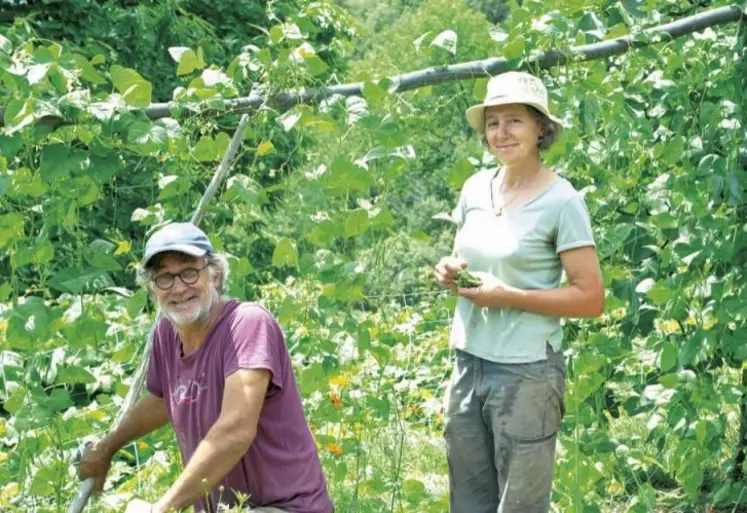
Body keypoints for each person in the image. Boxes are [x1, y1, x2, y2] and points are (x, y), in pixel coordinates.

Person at [434, 71, 604, 513]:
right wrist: (450, 270)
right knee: (468, 502)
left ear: (540, 129)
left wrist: (509, 295)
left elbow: (590, 298)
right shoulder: (475, 187)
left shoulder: (562, 201)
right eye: (492, 122)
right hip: (468, 362)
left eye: (514, 121)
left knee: (520, 505)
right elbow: (465, 255)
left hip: (527, 372)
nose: (501, 133)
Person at [79, 222, 334, 513]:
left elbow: (235, 430)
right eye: (164, 277)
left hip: (287, 508)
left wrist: (160, 508)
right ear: (151, 289)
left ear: (215, 274)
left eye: (189, 272)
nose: (178, 287)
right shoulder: (167, 332)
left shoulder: (246, 324)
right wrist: (107, 448)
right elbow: (165, 399)